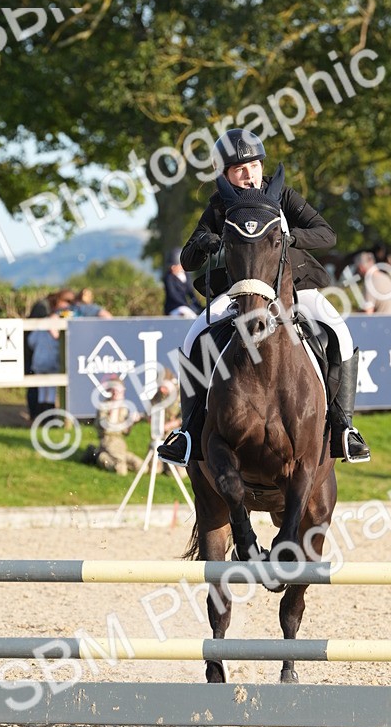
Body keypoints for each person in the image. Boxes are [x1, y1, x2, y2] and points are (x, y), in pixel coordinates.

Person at [156, 128, 370, 467]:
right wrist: (204, 243)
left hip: (295, 288)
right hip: (241, 292)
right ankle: (189, 431)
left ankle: (344, 427)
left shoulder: (281, 195)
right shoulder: (220, 205)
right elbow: (187, 259)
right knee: (194, 336)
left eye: (253, 166)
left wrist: (289, 235)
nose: (248, 174)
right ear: (224, 174)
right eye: (239, 169)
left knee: (339, 332)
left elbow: (326, 234)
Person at [26, 290, 72, 419]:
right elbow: (58, 339)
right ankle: (49, 418)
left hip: (38, 361)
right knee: (51, 391)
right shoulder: (58, 322)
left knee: (42, 391)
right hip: (51, 361)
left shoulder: (41, 323)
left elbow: (31, 340)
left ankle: (40, 417)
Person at [95, 378, 144, 475]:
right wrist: (114, 406)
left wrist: (132, 422)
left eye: (119, 390)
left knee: (142, 467)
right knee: (121, 470)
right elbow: (107, 428)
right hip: (108, 441)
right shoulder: (104, 406)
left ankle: (114, 459)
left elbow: (125, 432)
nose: (117, 393)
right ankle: (100, 456)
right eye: (115, 390)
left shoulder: (124, 408)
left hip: (120, 444)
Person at [163, 248, 202, 318]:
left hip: (186, 306)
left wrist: (197, 305)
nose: (172, 268)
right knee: (185, 313)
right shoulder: (168, 277)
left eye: (174, 265)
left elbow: (190, 292)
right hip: (174, 307)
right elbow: (173, 294)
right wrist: (186, 305)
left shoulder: (187, 275)